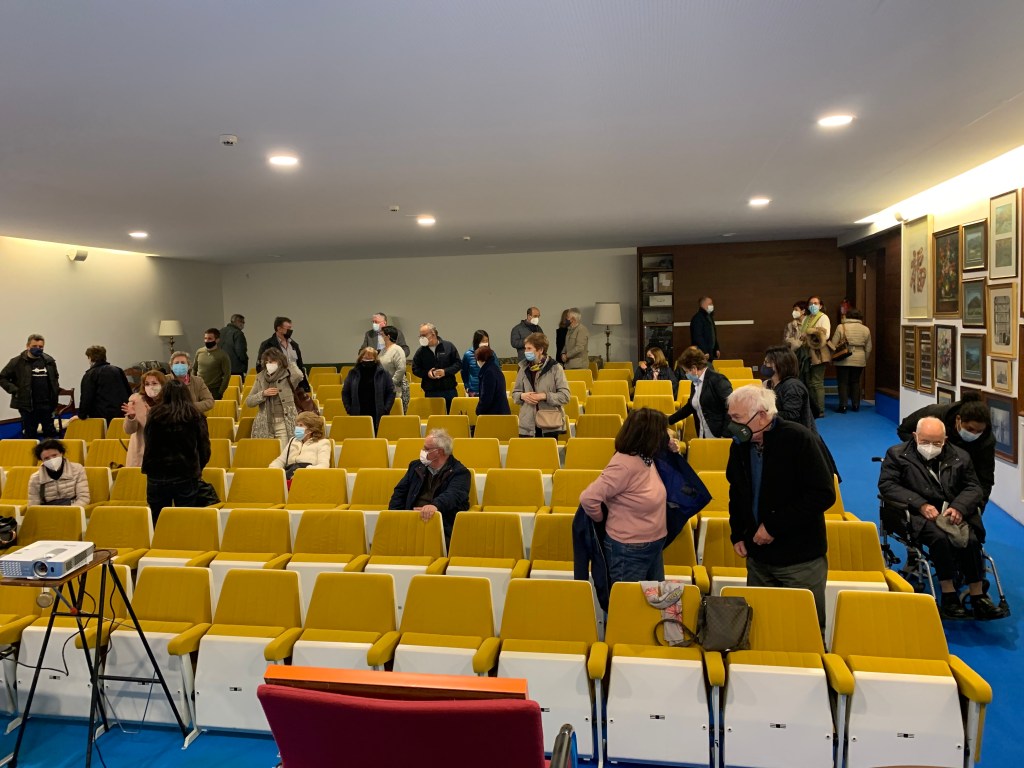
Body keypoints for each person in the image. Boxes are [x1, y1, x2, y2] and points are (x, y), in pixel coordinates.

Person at [725, 385, 835, 630]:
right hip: (758, 559)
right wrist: (738, 533)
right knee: (762, 629)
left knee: (804, 630)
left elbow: (822, 495)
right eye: (731, 417)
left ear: (762, 415)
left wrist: (773, 527)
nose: (732, 425)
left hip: (799, 560)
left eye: (737, 418)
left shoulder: (799, 439)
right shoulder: (740, 444)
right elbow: (736, 491)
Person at [878, 416, 1006, 620]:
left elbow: (974, 487)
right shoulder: (897, 454)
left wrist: (959, 507)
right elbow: (888, 485)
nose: (931, 447)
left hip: (951, 511)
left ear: (945, 440)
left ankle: (978, 595)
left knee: (971, 540)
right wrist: (920, 504)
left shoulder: (960, 456)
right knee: (939, 538)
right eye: (925, 441)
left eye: (937, 443)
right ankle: (948, 594)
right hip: (916, 513)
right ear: (915, 436)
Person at [580, 408, 677, 584]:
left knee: (653, 599)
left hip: (654, 544)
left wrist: (671, 448)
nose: (665, 435)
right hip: (629, 550)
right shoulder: (624, 464)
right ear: (649, 436)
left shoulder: (646, 455)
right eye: (661, 431)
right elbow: (589, 498)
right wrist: (601, 519)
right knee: (626, 600)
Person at [896, 393, 996, 506]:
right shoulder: (935, 414)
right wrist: (924, 446)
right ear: (958, 419)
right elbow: (903, 430)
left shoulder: (986, 441)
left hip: (959, 473)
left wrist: (977, 506)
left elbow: (984, 479)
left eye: (979, 431)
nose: (974, 434)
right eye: (970, 429)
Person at [388, 428, 472, 546]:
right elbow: (400, 492)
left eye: (426, 449)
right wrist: (395, 517)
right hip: (411, 521)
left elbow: (453, 495)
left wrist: (435, 505)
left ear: (440, 452)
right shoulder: (415, 466)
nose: (423, 451)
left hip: (442, 525)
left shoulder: (460, 472)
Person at [142, 379, 211, 521]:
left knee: (158, 519)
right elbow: (204, 448)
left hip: (157, 474)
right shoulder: (195, 416)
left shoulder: (154, 415)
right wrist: (197, 468)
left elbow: (148, 443)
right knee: (185, 519)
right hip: (185, 473)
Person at [0, 334, 60, 440]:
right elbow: (2, 378)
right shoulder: (16, 362)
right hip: (27, 406)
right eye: (34, 346)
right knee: (30, 435)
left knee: (50, 434)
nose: (38, 348)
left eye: (40, 347)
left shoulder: (49, 361)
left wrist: (55, 391)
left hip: (47, 405)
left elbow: (55, 377)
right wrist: (15, 390)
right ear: (27, 346)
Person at [512, 332, 570, 437]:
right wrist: (522, 396)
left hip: (549, 424)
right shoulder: (523, 368)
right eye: (525, 348)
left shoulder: (555, 368)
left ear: (540, 350)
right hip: (527, 425)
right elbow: (515, 394)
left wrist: (544, 396)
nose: (525, 352)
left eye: (529, 348)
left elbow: (565, 396)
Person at [669, 346, 733, 438]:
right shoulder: (695, 383)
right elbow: (690, 407)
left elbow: (731, 408)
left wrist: (725, 435)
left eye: (686, 371)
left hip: (720, 436)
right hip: (702, 434)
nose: (686, 375)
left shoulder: (718, 380)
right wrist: (668, 420)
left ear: (694, 368)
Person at [246, 347, 306, 444]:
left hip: (285, 423)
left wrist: (288, 361)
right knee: (268, 452)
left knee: (285, 450)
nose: (269, 364)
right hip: (265, 424)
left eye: (272, 361)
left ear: (279, 361)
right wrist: (263, 394)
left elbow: (299, 375)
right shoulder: (260, 377)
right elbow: (249, 402)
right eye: (267, 362)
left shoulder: (288, 375)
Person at [762, 345, 816, 432]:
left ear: (780, 364)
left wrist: (764, 415)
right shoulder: (768, 384)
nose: (764, 365)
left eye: (767, 362)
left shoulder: (793, 386)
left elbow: (791, 415)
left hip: (796, 435)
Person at [342, 348, 396, 430]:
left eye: (370, 358)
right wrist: (349, 409)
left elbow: (391, 392)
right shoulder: (353, 373)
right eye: (365, 358)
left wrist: (386, 409)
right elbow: (345, 392)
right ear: (360, 358)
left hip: (378, 414)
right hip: (357, 413)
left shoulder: (383, 373)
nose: (368, 360)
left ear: (375, 359)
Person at [269, 411, 331, 482]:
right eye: (297, 425)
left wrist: (301, 473)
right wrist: (272, 470)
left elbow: (324, 466)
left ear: (310, 430)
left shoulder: (322, 443)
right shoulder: (293, 440)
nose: (297, 428)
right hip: (289, 477)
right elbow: (280, 461)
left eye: (301, 425)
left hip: (309, 479)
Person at [830, 309, 872, 413]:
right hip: (859, 358)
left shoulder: (841, 327)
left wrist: (831, 357)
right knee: (855, 381)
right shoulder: (866, 329)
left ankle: (843, 406)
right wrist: (864, 359)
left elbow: (833, 344)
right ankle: (856, 405)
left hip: (843, 358)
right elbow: (868, 347)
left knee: (843, 382)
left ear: (847, 316)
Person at [412, 323, 460, 412]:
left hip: (449, 390)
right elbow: (415, 369)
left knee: (451, 417)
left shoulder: (448, 346)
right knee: (434, 417)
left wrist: (445, 371)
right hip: (431, 391)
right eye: (420, 336)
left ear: (433, 334)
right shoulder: (421, 351)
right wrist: (427, 374)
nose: (421, 338)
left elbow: (458, 364)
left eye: (424, 335)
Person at [122, 369, 165, 467]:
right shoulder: (135, 402)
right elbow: (128, 430)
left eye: (154, 383)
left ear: (162, 385)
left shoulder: (169, 403)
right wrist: (131, 417)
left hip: (162, 453)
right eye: (147, 384)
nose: (150, 386)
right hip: (140, 453)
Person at [27, 438, 89, 507]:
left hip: (73, 509)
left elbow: (84, 498)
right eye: (46, 458)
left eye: (54, 455)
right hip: (48, 511)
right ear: (41, 460)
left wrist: (69, 511)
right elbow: (33, 506)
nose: (52, 460)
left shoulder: (77, 469)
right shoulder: (35, 478)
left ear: (61, 453)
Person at [78, 345, 132, 422]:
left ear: (90, 358)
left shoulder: (90, 374)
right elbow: (128, 392)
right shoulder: (117, 370)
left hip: (101, 417)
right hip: (122, 414)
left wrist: (81, 415)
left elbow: (86, 397)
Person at [799, 296, 831, 418]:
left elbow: (825, 335)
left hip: (818, 352)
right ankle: (813, 408)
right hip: (806, 352)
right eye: (811, 303)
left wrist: (810, 332)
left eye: (816, 303)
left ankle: (820, 409)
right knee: (808, 382)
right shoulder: (806, 318)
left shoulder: (823, 317)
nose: (813, 305)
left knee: (817, 382)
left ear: (820, 305)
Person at [257, 316, 308, 390]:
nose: (290, 331)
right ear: (279, 329)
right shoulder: (267, 345)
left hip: (295, 384)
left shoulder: (294, 345)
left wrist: (303, 385)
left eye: (291, 328)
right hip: (277, 385)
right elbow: (261, 366)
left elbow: (300, 365)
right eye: (288, 328)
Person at [193, 328, 232, 400]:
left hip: (214, 390)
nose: (207, 341)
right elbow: (194, 369)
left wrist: (220, 392)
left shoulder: (223, 355)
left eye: (210, 339)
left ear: (217, 340)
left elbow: (227, 375)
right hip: (199, 388)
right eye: (205, 338)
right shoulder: (199, 352)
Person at [378, 325, 409, 412]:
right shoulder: (383, 350)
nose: (380, 337)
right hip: (384, 387)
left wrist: (391, 383)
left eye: (382, 335)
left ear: (388, 336)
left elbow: (401, 369)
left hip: (396, 388)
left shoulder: (397, 349)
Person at [475, 346, 511, 417]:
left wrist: (478, 410)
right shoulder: (495, 369)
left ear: (480, 359)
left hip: (494, 413)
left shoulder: (488, 373)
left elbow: (487, 396)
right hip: (501, 411)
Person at [690, 296, 720, 361]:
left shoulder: (709, 317)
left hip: (710, 352)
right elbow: (697, 337)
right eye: (710, 304)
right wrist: (704, 351)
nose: (712, 305)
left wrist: (716, 348)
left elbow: (713, 335)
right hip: (702, 354)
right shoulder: (697, 318)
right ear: (703, 305)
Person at [461, 330, 489, 397]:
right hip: (474, 391)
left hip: (488, 389)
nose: (485, 343)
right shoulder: (468, 355)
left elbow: (497, 371)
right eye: (483, 341)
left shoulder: (492, 354)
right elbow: (464, 372)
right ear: (477, 341)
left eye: (487, 341)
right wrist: (467, 387)